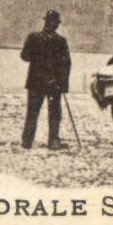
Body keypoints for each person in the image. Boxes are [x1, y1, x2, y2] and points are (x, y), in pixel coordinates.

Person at [20, 9, 72, 150]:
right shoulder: (61, 41)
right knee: (54, 113)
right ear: (55, 23)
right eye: (56, 23)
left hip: (35, 82)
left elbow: (24, 56)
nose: (56, 25)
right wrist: (63, 84)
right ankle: (53, 141)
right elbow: (66, 64)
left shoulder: (33, 38)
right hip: (53, 83)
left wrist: (36, 56)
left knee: (32, 111)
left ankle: (27, 140)